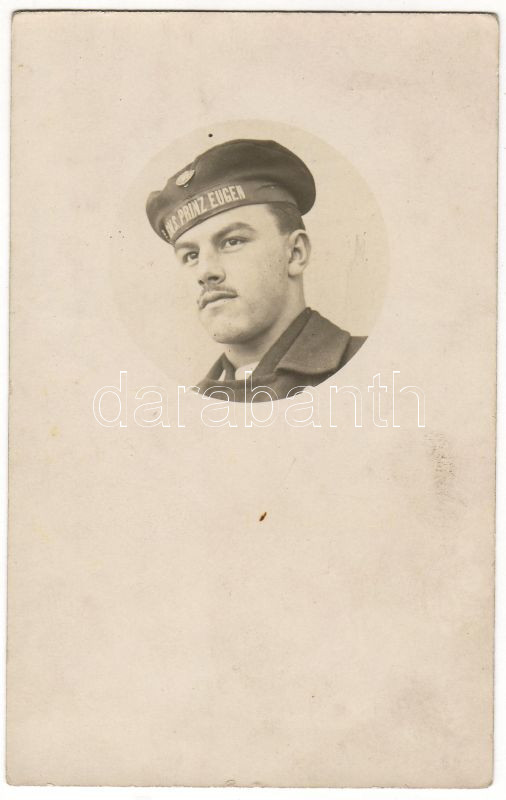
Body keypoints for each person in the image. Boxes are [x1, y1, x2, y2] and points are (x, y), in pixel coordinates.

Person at [146, 138, 366, 402]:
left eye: (232, 242)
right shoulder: (182, 408)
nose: (205, 272)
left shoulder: (372, 371)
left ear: (295, 253)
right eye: (191, 255)